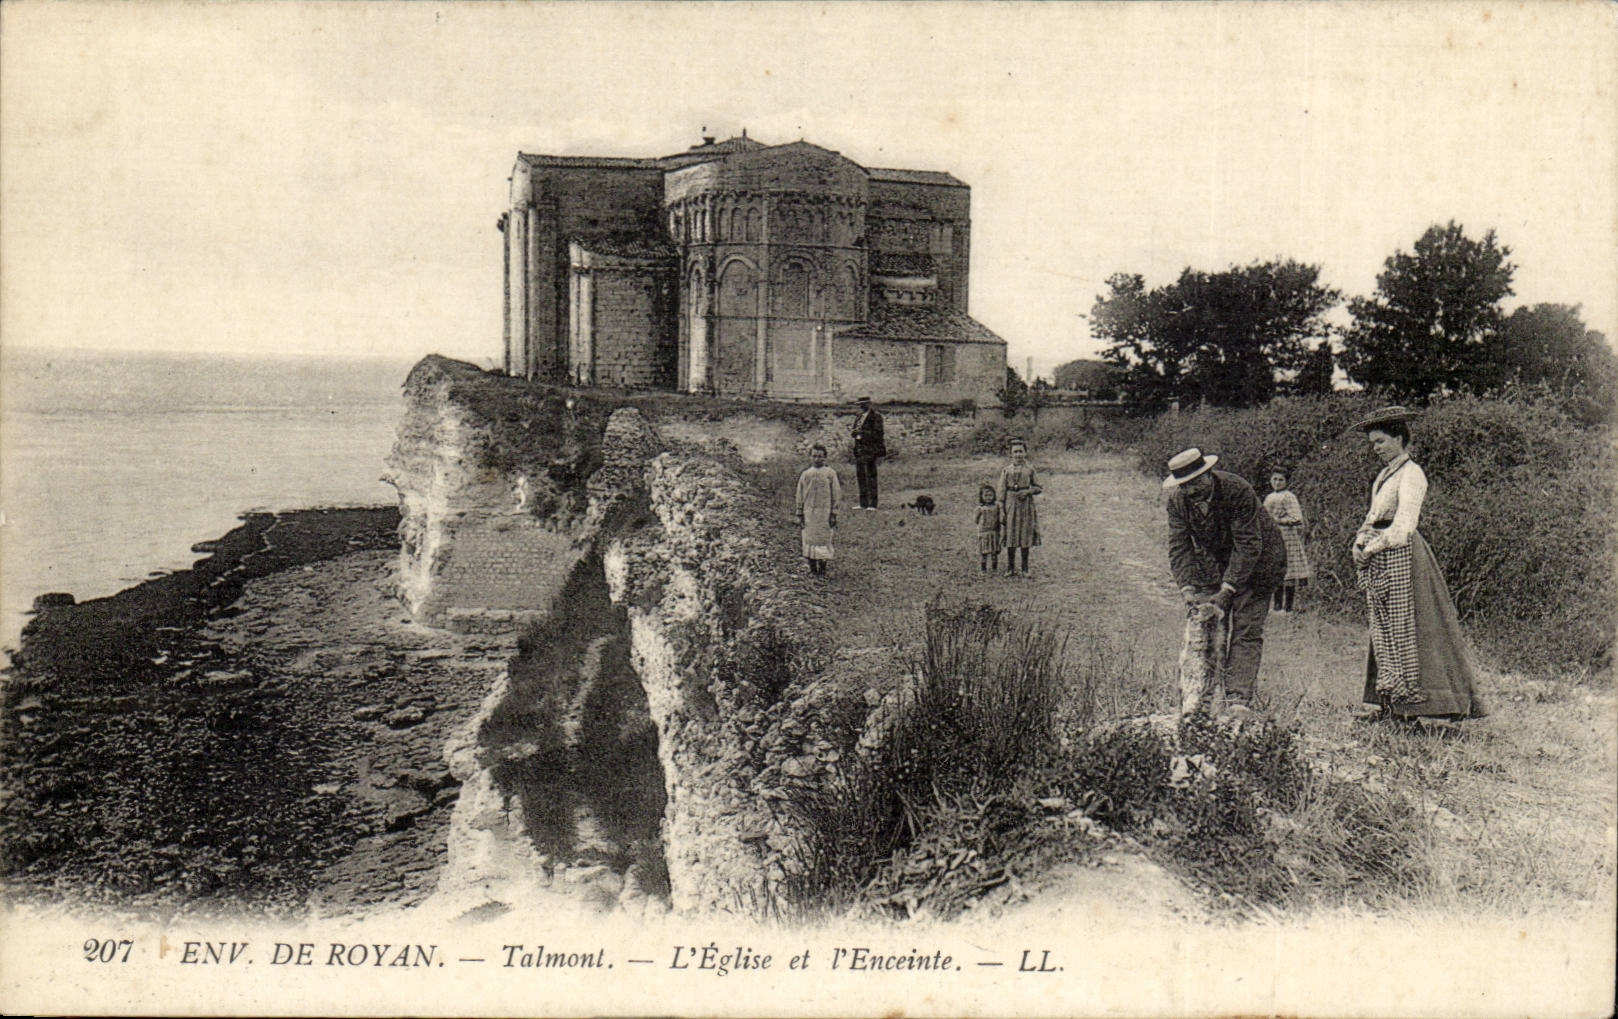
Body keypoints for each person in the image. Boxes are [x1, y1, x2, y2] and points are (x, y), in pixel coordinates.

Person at [1351, 407, 1485, 724]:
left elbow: (1403, 526)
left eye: (1381, 441)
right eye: (1372, 444)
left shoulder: (1412, 474)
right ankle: (1388, 704)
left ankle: (1411, 710)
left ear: (1400, 438)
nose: (1376, 449)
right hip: (1379, 556)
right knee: (1383, 629)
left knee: (1408, 629)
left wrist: (1371, 548)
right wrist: (1358, 543)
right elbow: (1373, 516)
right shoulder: (1385, 476)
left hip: (1402, 557)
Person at [1163, 448, 1288, 713]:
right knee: (1210, 627)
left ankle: (1237, 701)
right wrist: (1187, 588)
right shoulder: (1177, 502)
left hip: (1261, 561)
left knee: (1246, 629)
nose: (1192, 490)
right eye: (1185, 486)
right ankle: (1202, 699)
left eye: (1197, 482)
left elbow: (1248, 544)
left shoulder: (1236, 490)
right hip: (1217, 563)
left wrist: (1227, 590)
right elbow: (1179, 547)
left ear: (1209, 475)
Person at [1263, 468, 1313, 613]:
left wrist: (1278, 520)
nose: (1277, 483)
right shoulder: (1269, 497)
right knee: (1276, 570)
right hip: (1273, 536)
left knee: (1289, 571)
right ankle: (1277, 606)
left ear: (1286, 482)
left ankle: (1288, 607)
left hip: (1287, 537)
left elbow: (1296, 518)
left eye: (1281, 480)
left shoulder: (1289, 496)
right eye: (1274, 479)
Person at [997, 438, 1042, 575]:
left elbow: (1038, 487)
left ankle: (1025, 568)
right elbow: (1001, 492)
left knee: (1024, 535)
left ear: (1025, 453)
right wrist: (1002, 509)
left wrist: (1028, 491)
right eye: (1015, 452)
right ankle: (1010, 568)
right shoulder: (1006, 470)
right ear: (1011, 454)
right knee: (1011, 534)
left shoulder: (1029, 469)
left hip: (1025, 505)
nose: (1018, 455)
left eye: (1020, 451)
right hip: (1010, 503)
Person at [795, 443, 840, 576]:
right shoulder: (806, 474)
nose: (817, 459)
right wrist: (799, 512)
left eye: (820, 456)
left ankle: (822, 568)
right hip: (809, 512)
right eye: (814, 456)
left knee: (823, 538)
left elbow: (836, 494)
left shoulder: (830, 474)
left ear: (825, 458)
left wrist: (834, 513)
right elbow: (800, 494)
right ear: (810, 457)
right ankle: (812, 568)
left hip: (824, 512)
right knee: (809, 539)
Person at [850, 396, 886, 510]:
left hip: (870, 450)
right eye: (860, 404)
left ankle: (872, 504)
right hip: (860, 450)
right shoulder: (859, 416)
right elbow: (854, 430)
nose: (861, 406)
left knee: (870, 476)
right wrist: (855, 432)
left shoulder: (876, 417)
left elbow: (878, 433)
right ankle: (863, 503)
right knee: (861, 476)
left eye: (863, 404)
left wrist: (862, 433)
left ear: (869, 404)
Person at [975, 484, 1003, 573]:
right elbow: (975, 519)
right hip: (984, 532)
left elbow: (1001, 516)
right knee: (984, 552)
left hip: (994, 531)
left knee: (994, 552)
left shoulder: (997, 507)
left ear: (994, 496)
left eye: (990, 495)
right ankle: (983, 569)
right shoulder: (980, 508)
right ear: (981, 496)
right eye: (986, 495)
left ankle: (994, 568)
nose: (988, 498)